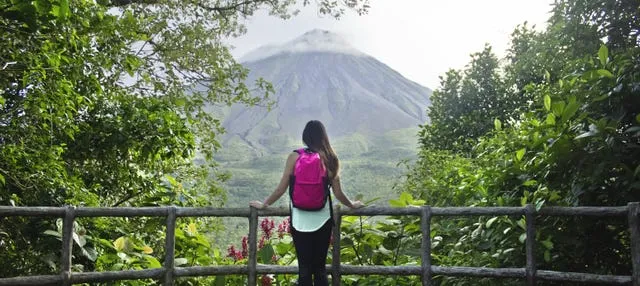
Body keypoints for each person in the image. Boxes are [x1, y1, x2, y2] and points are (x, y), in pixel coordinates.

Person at [250, 120, 364, 286]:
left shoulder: (294, 156)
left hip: (299, 220)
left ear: (305, 137)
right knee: (319, 269)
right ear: (324, 137)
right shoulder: (330, 158)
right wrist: (352, 205)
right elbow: (338, 193)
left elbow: (281, 188)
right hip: (322, 219)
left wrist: (264, 204)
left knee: (304, 270)